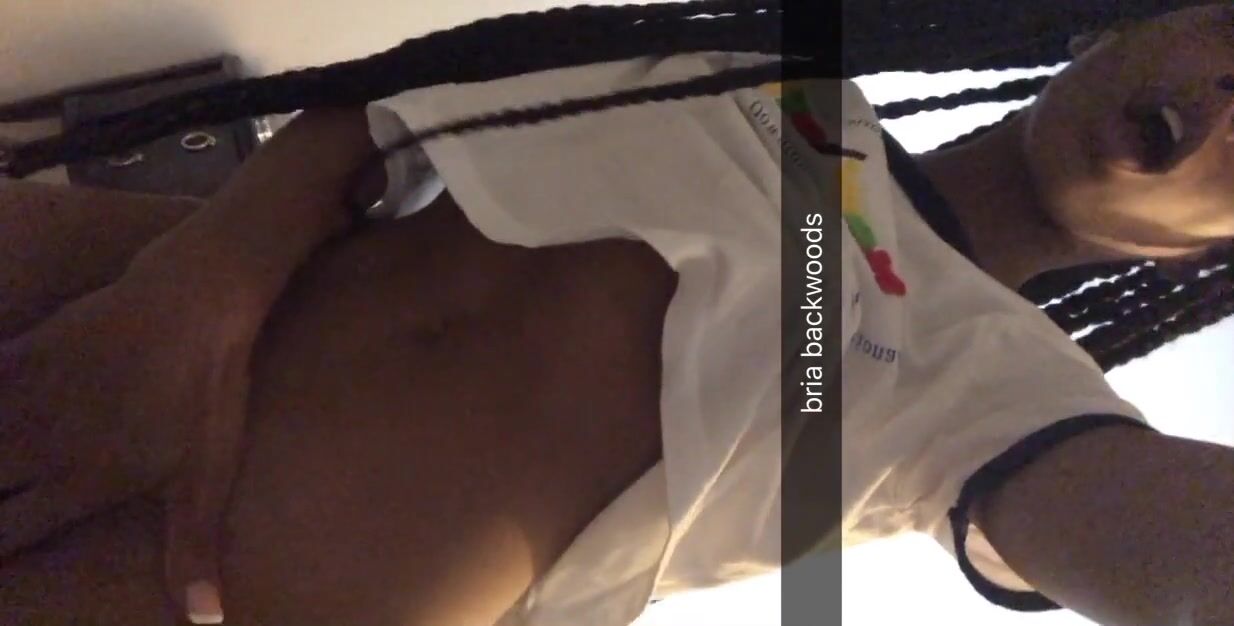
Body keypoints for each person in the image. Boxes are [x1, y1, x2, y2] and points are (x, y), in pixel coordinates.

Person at [2, 2, 1234, 625]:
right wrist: (193, 289)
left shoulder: (1011, 391)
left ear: (1209, 262)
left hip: (197, 582)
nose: (1227, 100)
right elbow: (384, 116)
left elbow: (1187, 557)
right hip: (92, 314)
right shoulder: (766, 66)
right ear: (1130, 22)